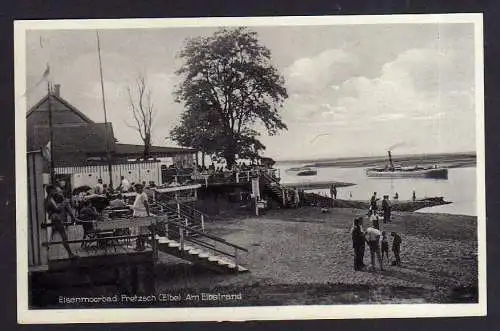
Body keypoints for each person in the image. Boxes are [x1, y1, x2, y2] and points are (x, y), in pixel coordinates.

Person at [45, 185, 77, 259]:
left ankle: (70, 253)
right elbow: (56, 210)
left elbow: (52, 210)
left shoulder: (49, 199)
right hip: (56, 218)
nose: (55, 192)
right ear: (50, 191)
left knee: (64, 236)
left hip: (56, 218)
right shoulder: (49, 200)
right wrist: (63, 203)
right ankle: (70, 254)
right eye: (54, 190)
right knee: (64, 236)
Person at [132, 184, 150, 251]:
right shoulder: (138, 195)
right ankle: (138, 246)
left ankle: (141, 246)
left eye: (137, 189)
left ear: (141, 188)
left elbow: (146, 205)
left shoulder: (143, 195)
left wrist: (148, 214)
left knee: (141, 232)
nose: (136, 190)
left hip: (141, 215)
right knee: (137, 231)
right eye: (135, 189)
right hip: (137, 214)